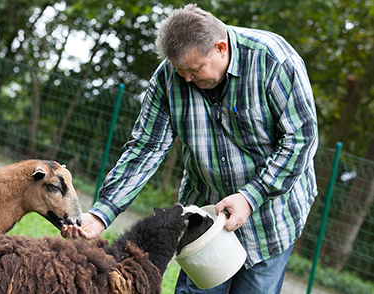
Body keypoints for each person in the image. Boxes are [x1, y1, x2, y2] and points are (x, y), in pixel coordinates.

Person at [62, 4, 318, 294]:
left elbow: (300, 140)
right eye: (179, 70)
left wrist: (250, 197)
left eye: (194, 69)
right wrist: (101, 213)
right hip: (204, 220)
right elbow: (146, 148)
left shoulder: (273, 60)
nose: (185, 79)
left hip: (272, 218)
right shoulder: (168, 78)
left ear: (221, 48)